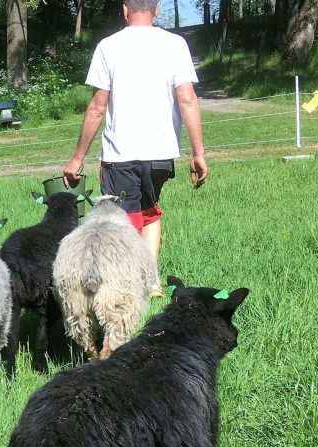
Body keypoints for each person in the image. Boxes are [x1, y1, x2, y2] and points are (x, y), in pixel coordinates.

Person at [62, 0, 207, 296]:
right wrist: (198, 153)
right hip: (160, 153)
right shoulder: (175, 44)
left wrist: (77, 159)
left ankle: (125, 287)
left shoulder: (108, 46)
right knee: (150, 213)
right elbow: (188, 100)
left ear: (125, 10)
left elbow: (97, 109)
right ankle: (151, 280)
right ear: (156, 11)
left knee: (122, 221)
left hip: (120, 154)